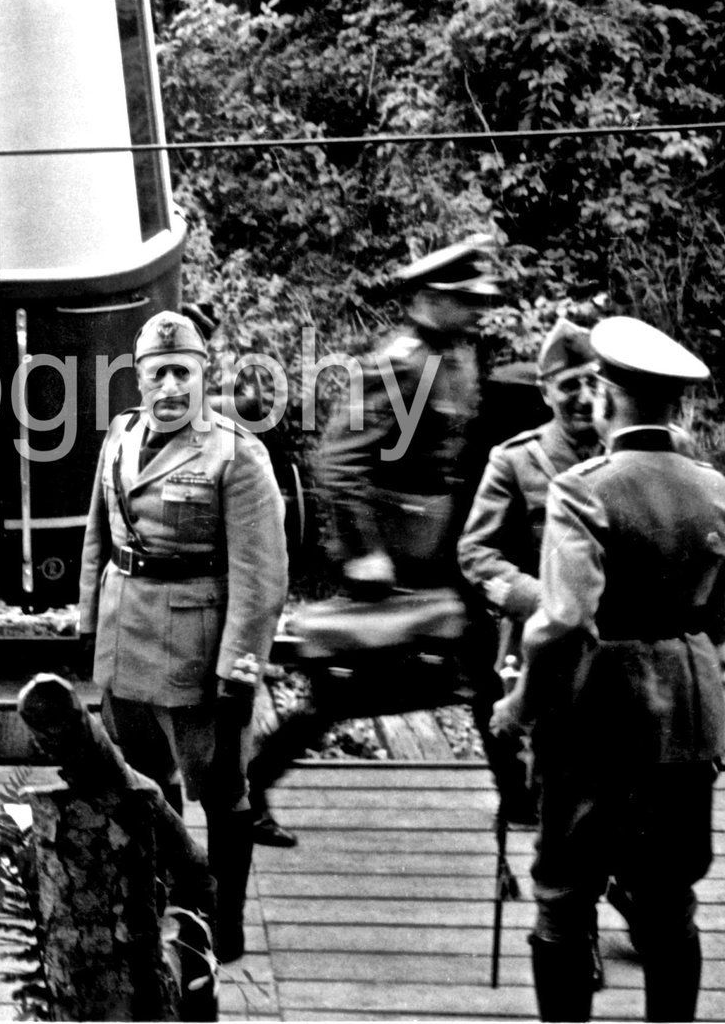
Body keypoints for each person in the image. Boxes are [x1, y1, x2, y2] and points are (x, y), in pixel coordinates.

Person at [491, 317, 725, 1022]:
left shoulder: (583, 487)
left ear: (605, 397)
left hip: (596, 715)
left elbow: (563, 620)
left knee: (564, 893)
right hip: (687, 712)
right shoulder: (716, 488)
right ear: (678, 405)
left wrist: (521, 707)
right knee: (669, 901)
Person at [250, 235, 502, 844]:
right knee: (341, 696)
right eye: (463, 299)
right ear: (426, 299)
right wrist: (365, 552)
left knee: (484, 675)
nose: (477, 310)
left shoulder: (458, 357)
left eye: (478, 299)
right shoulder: (401, 362)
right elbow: (337, 460)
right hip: (388, 562)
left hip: (436, 557)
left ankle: (517, 797)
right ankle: (250, 788)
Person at [75, 309, 287, 964]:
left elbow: (262, 576)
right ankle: (170, 896)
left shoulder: (235, 452)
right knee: (143, 781)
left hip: (197, 651)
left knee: (222, 791)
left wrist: (238, 671)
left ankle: (225, 921)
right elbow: (97, 538)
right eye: (155, 372)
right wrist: (88, 623)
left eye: (180, 371)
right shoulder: (120, 437)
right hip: (124, 637)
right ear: (137, 378)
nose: (168, 385)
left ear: (203, 373)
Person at [456, 317, 600, 825]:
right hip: (548, 650)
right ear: (545, 391)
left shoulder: (630, 457)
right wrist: (545, 600)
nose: (585, 397)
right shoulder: (516, 462)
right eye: (570, 385)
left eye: (595, 382)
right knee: (555, 788)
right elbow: (477, 555)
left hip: (624, 650)